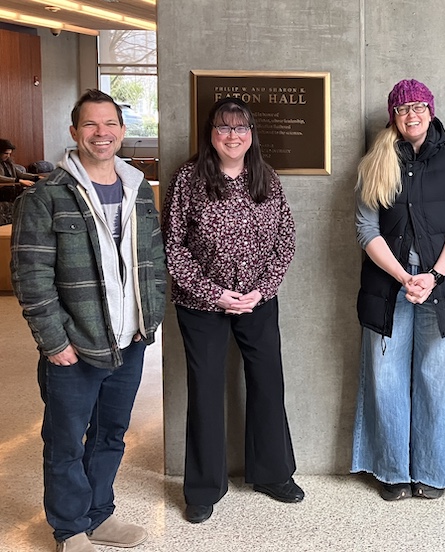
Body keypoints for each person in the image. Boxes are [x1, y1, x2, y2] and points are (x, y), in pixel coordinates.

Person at [10, 89, 165, 552]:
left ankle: (100, 515)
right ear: (75, 132)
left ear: (122, 130)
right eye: (91, 125)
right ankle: (70, 528)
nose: (102, 133)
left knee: (111, 434)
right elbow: (31, 276)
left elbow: (153, 260)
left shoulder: (137, 190)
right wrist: (54, 342)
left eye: (110, 124)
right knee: (65, 443)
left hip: (129, 340)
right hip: (73, 348)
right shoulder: (46, 197)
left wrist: (148, 321)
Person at [162, 97, 301, 524]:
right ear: (210, 134)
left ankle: (273, 473)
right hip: (202, 304)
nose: (233, 136)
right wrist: (213, 292)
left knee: (267, 383)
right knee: (205, 391)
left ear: (251, 134)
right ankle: (203, 488)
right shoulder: (189, 179)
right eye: (224, 128)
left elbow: (286, 238)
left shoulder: (267, 177)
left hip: (258, 301)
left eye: (241, 128)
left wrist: (262, 290)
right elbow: (173, 246)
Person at [351, 79, 445, 501]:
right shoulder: (375, 162)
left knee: (437, 380)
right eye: (403, 108)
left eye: (420, 106)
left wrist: (433, 276)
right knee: (385, 378)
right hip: (389, 287)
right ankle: (391, 471)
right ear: (394, 116)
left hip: (442, 286)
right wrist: (403, 277)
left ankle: (434, 471)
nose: (412, 114)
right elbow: (366, 229)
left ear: (431, 111)